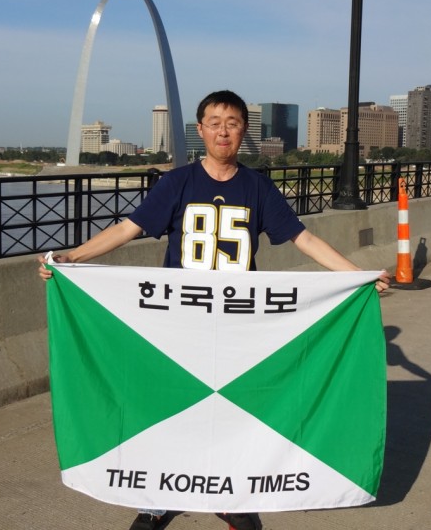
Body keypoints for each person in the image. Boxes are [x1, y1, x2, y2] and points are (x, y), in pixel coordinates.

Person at [38, 89, 390, 530]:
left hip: (240, 321)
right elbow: (130, 227)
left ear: (245, 130)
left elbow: (305, 239)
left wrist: (357, 275)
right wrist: (74, 258)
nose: (224, 130)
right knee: (167, 401)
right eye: (215, 122)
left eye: (234, 122)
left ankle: (232, 491)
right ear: (200, 129)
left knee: (235, 404)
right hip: (179, 320)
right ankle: (157, 495)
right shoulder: (177, 183)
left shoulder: (257, 186)